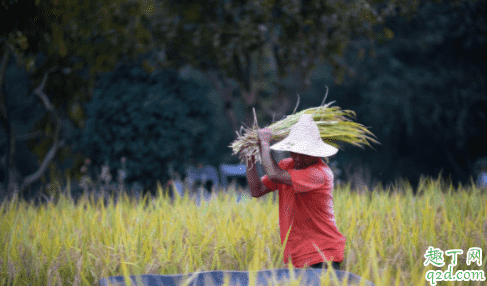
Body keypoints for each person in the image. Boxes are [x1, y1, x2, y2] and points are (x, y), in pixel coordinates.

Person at [245, 114, 346, 271]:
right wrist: (250, 157)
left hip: (323, 256)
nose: (297, 156)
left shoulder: (320, 174)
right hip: (297, 258)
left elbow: (273, 174)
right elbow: (256, 190)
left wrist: (264, 144)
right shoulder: (287, 166)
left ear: (315, 152)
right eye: (294, 150)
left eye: (303, 152)